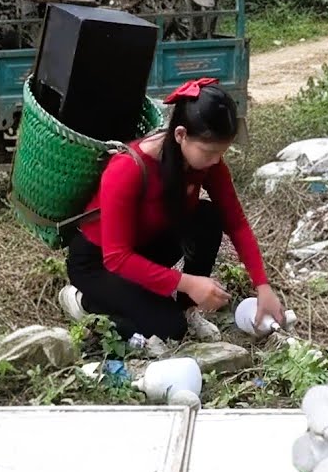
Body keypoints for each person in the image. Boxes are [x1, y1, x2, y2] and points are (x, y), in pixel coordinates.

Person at [57, 77, 283, 344]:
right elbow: (117, 258)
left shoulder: (208, 165)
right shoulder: (127, 169)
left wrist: (262, 285)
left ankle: (187, 309)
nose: (216, 160)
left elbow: (236, 224)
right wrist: (188, 282)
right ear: (180, 135)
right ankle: (85, 302)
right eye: (209, 151)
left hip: (146, 244)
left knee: (208, 217)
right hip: (100, 263)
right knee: (168, 327)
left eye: (221, 152)